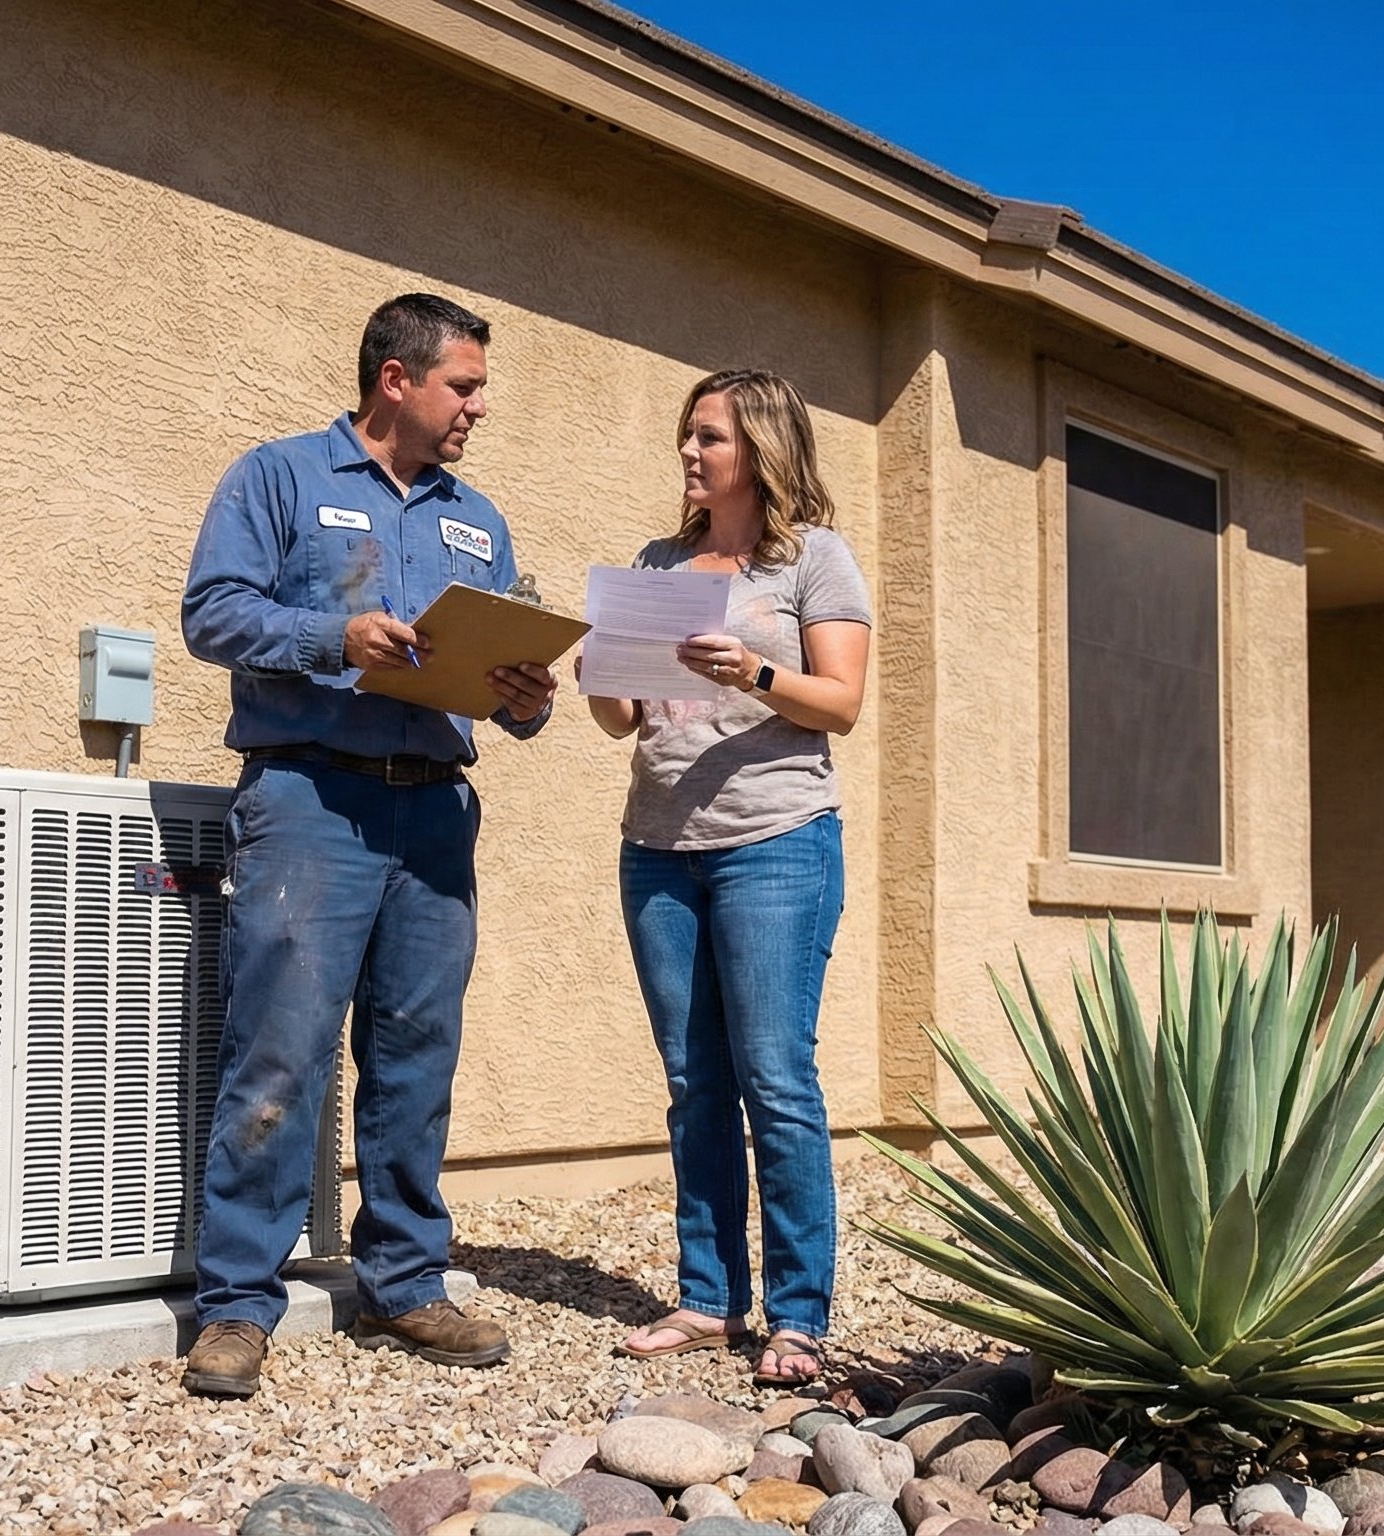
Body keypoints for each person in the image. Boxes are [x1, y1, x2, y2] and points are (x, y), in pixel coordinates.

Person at [176, 293, 557, 1398]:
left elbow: (513, 700)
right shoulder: (280, 478)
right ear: (395, 379)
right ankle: (237, 1305)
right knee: (280, 1050)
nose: (478, 407)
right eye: (464, 385)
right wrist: (329, 635)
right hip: (309, 799)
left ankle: (403, 1281)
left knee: (414, 1056)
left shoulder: (475, 521)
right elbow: (212, 614)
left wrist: (525, 694)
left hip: (434, 808)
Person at [589, 368, 871, 1387]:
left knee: (773, 1078)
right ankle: (707, 1298)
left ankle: (796, 1315)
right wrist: (599, 668)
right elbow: (621, 719)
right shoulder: (655, 564)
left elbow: (838, 705)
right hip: (657, 848)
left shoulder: (812, 562)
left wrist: (747, 670)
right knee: (691, 1082)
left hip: (775, 845)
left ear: (756, 448)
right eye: (684, 436)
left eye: (706, 437)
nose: (688, 453)